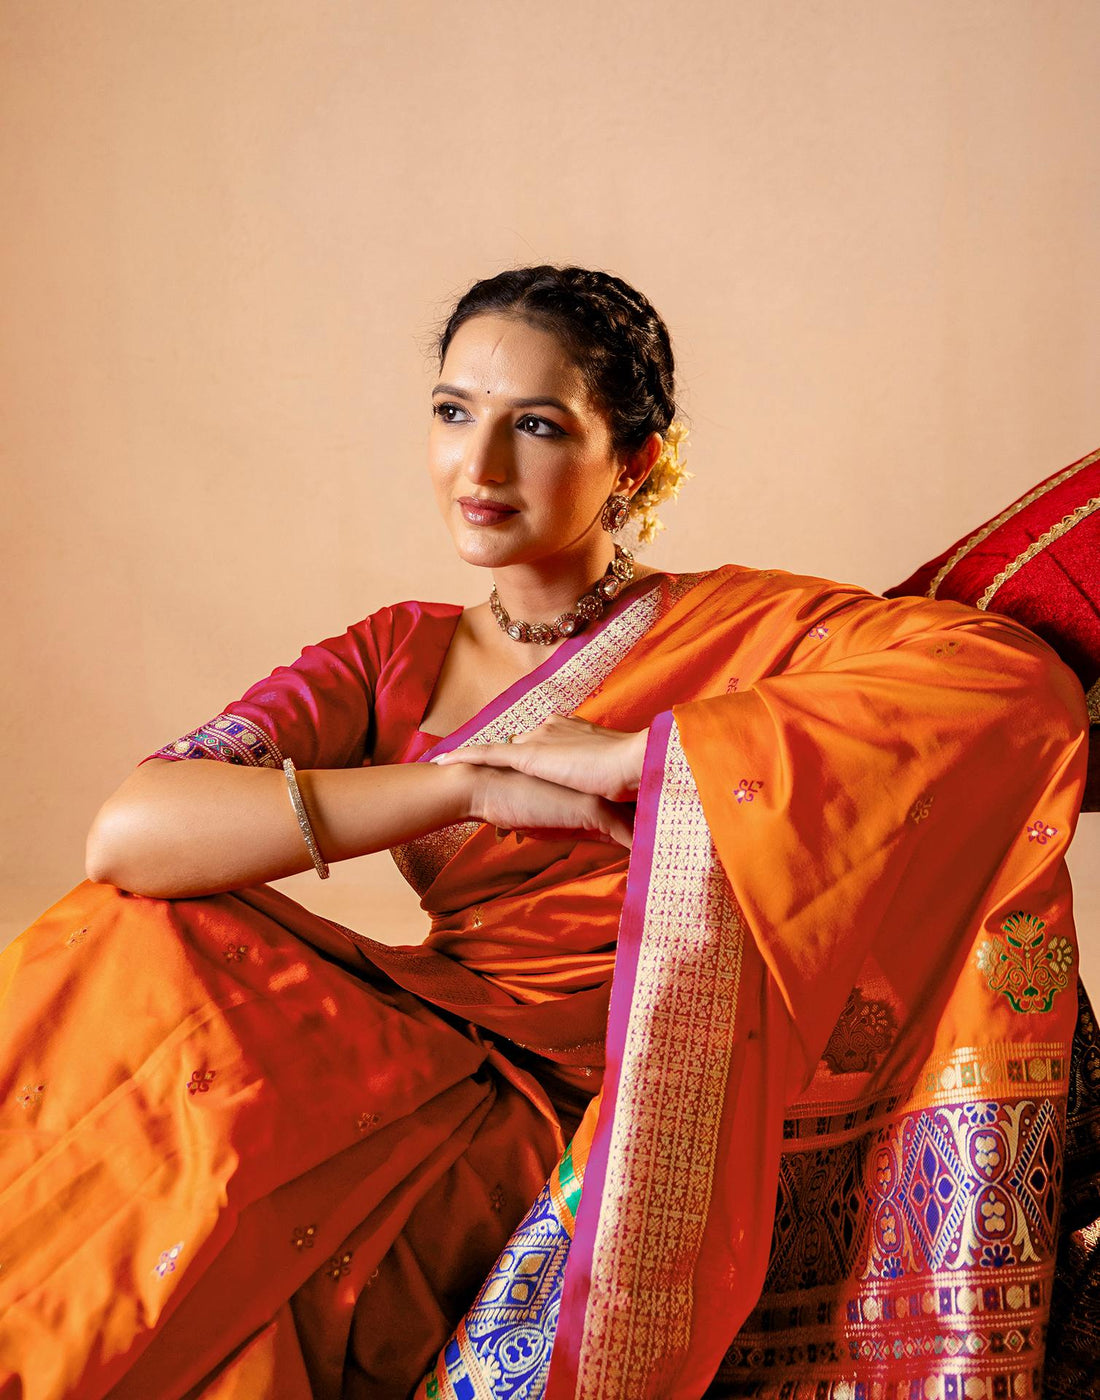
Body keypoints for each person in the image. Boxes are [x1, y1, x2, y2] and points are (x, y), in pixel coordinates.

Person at [0, 265, 1090, 1400]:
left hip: (601, 1089)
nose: (477, 466)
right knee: (133, 948)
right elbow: (131, 833)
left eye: (534, 423)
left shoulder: (747, 629)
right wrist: (464, 786)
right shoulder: (397, 652)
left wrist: (655, 749)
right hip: (431, 1035)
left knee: (252, 1178)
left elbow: (1008, 684)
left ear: (636, 461)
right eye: (451, 411)